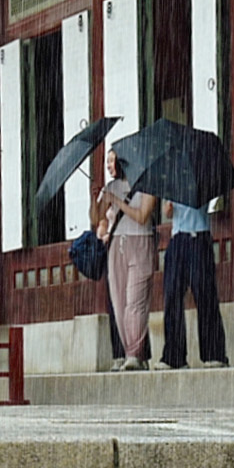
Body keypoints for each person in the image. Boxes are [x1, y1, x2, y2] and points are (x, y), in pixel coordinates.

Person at [156, 101, 230, 369]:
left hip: (199, 237)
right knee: (172, 296)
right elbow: (167, 212)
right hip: (178, 239)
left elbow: (205, 201)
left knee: (205, 294)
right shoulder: (172, 177)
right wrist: (169, 204)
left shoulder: (204, 174)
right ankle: (174, 356)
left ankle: (214, 354)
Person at [94, 154, 163, 371]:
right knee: (119, 302)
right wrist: (97, 199)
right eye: (107, 161)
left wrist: (117, 201)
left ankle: (134, 354)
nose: (110, 165)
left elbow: (142, 216)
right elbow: (97, 218)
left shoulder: (147, 184)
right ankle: (130, 353)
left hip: (140, 242)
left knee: (136, 301)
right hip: (117, 245)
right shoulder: (111, 186)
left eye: (113, 161)